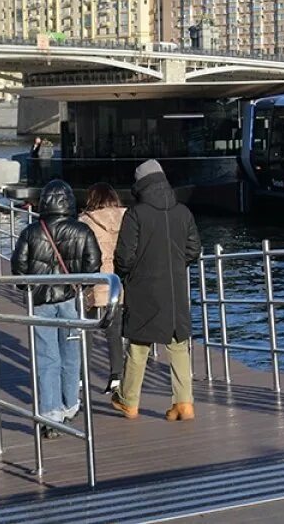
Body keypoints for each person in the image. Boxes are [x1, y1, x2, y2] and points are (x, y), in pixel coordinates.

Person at [10, 180, 102, 439]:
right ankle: (70, 404)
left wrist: (28, 287)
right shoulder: (82, 230)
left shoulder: (31, 231)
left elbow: (18, 269)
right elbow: (93, 265)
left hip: (39, 301)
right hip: (71, 300)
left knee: (46, 357)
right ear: (70, 202)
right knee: (71, 353)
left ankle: (50, 414)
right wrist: (78, 285)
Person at [112, 160, 201, 422]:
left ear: (140, 185)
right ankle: (184, 404)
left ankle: (129, 401)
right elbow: (193, 250)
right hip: (174, 288)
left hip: (143, 287)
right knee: (178, 343)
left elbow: (124, 257)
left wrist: (126, 274)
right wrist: (176, 264)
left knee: (139, 345)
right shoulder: (183, 212)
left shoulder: (136, 214)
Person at [78, 182, 126, 394]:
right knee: (114, 333)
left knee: (87, 331)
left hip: (94, 280)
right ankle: (117, 376)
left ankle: (81, 378)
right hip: (117, 281)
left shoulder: (86, 221)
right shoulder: (126, 218)